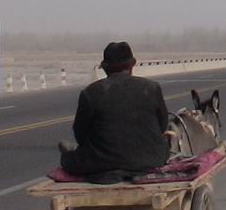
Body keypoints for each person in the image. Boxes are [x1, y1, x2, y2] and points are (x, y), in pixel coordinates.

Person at [58, 41, 170, 177]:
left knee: (67, 158)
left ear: (104, 67)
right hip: (151, 161)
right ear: (132, 64)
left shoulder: (90, 92)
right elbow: (162, 126)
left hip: (102, 164)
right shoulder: (152, 88)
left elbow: (80, 135)